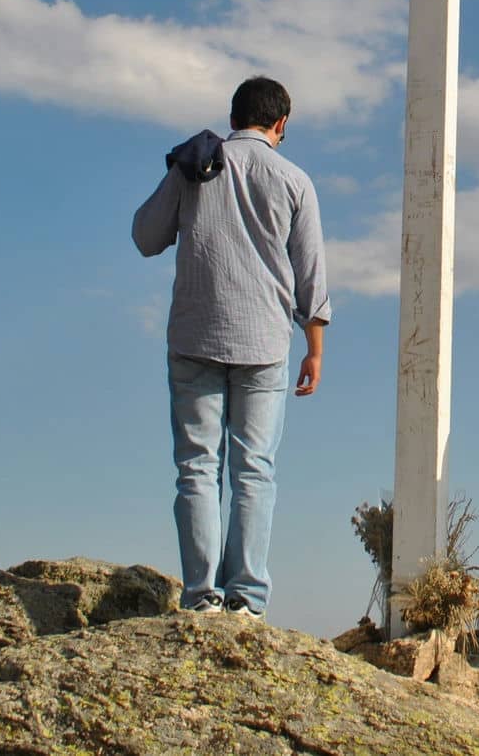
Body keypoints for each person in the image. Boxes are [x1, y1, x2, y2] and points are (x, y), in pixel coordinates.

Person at [131, 75, 331, 617]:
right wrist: (314, 348)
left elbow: (146, 237)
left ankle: (201, 596)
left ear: (232, 116)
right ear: (281, 124)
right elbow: (310, 274)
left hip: (195, 334)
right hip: (265, 341)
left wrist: (175, 170)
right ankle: (246, 597)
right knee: (254, 469)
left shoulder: (198, 165)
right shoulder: (294, 179)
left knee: (197, 466)